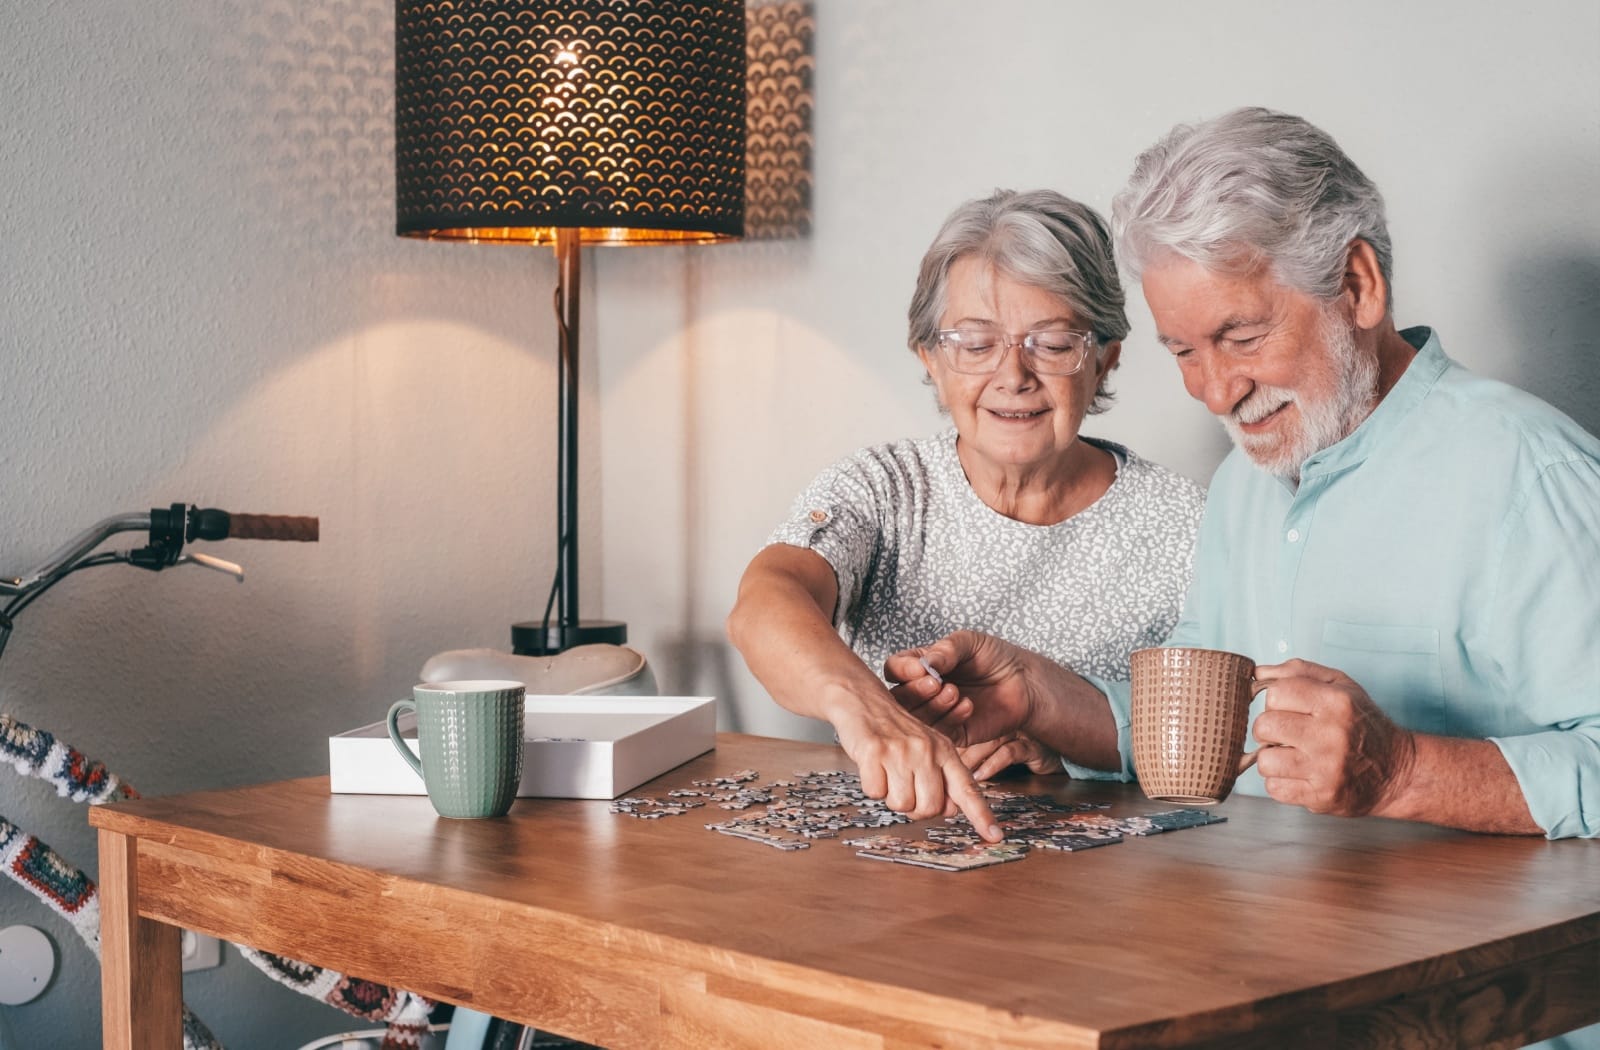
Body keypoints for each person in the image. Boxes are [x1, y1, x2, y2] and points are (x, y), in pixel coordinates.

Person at [890, 108, 1600, 852]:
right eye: (1185, 352)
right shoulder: (1243, 483)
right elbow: (1205, 738)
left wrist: (1404, 771)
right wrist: (1037, 698)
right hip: (1244, 936)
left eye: (1242, 337)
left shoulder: (1531, 477)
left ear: (1357, 286)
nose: (1217, 393)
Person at [726, 189, 1205, 841]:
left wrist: (1067, 757)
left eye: (1054, 342)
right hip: (886, 866)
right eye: (975, 343)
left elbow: (1220, 754)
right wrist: (869, 712)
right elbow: (765, 601)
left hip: (1111, 897)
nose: (1013, 375)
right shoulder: (882, 488)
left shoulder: (1190, 524)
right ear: (930, 357)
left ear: (1106, 356)